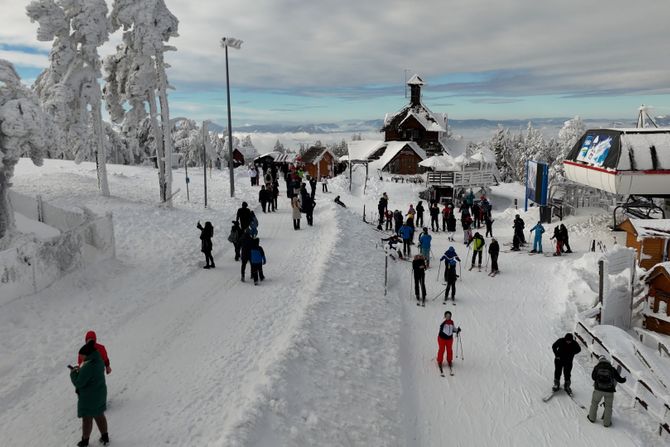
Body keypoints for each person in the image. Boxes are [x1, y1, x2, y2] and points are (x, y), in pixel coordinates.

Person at [71, 340, 109, 446]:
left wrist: (73, 373)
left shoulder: (88, 366)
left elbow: (79, 383)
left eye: (81, 356)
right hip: (100, 394)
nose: (81, 358)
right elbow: (91, 376)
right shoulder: (98, 360)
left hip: (89, 398)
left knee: (87, 419)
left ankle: (85, 441)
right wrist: (82, 371)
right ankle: (105, 436)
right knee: (99, 415)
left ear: (87, 354)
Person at [587, 355, 626, 427]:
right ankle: (606, 423)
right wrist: (624, 379)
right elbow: (619, 379)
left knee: (594, 403)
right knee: (608, 406)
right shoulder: (611, 368)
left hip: (598, 389)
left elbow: (593, 377)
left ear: (599, 360)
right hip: (609, 390)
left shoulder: (597, 367)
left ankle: (591, 418)